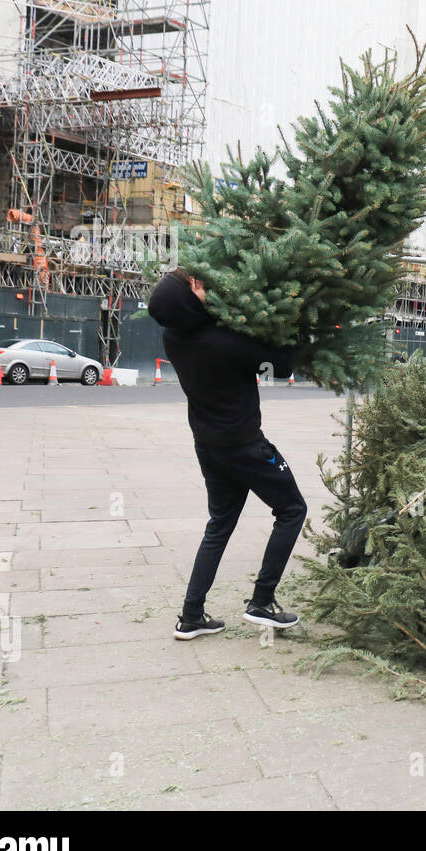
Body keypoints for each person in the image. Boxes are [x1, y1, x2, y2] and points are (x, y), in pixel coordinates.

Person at [148, 267, 307, 640]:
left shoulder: (174, 336)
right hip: (247, 447)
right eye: (196, 286)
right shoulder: (224, 339)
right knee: (292, 510)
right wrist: (293, 321)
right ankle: (262, 602)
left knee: (219, 525)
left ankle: (191, 616)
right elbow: (282, 367)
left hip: (208, 445)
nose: (203, 288)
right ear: (187, 299)